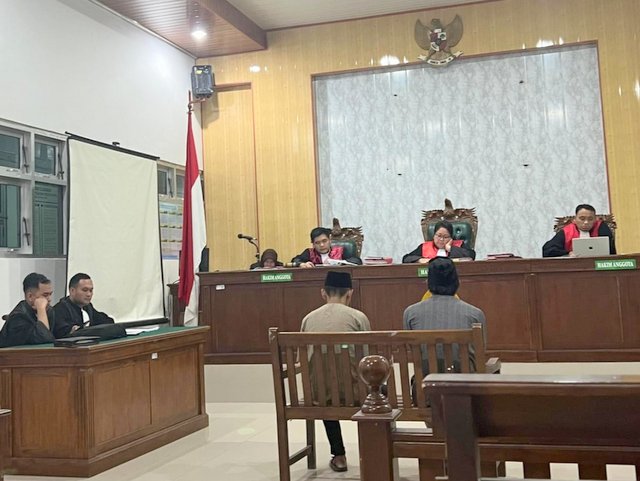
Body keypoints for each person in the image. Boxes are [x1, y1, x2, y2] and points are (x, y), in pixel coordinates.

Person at [300, 271, 371, 473]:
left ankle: (339, 455)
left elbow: (302, 360)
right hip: (356, 394)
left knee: (325, 386)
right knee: (376, 390)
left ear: (323, 293)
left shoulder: (308, 319)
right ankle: (372, 453)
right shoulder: (358, 318)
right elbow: (368, 359)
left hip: (318, 396)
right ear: (350, 293)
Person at [403, 258, 486, 396]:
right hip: (467, 395)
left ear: (428, 282)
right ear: (457, 281)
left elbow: (413, 349)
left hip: (426, 394)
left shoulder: (411, 313)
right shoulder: (475, 314)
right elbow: (480, 351)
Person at [0, 272, 56, 348]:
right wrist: (41, 309)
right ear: (30, 296)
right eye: (45, 295)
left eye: (50, 294)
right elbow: (44, 338)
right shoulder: (18, 317)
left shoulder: (48, 311)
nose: (49, 299)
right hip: (12, 355)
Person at [52, 273, 114, 338]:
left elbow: (104, 321)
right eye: (85, 290)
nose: (89, 294)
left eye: (91, 290)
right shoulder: (59, 310)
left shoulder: (88, 307)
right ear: (72, 291)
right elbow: (64, 332)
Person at [542, 204, 616, 257]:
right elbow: (547, 250)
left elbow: (611, 250)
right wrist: (568, 253)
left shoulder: (601, 227)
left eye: (590, 219)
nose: (586, 222)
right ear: (575, 219)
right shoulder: (567, 231)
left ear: (595, 219)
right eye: (582, 219)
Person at [402, 220, 475, 263]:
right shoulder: (425, 247)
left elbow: (471, 255)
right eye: (439, 236)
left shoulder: (459, 245)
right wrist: (420, 260)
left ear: (451, 238)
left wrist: (450, 248)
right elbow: (406, 258)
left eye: (445, 237)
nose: (441, 239)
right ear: (434, 235)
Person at [292, 227, 362, 268]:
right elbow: (295, 260)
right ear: (313, 244)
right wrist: (302, 264)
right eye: (317, 243)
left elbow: (357, 261)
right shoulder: (309, 253)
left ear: (330, 239)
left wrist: (341, 263)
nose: (322, 245)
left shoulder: (341, 251)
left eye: (324, 241)